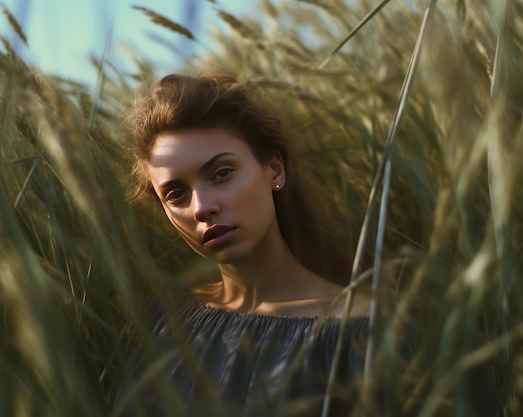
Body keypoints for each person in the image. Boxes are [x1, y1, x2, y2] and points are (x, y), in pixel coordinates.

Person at [116, 73, 406, 417]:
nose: (201, 207)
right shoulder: (165, 323)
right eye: (176, 194)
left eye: (221, 173)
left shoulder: (367, 334)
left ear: (274, 170)